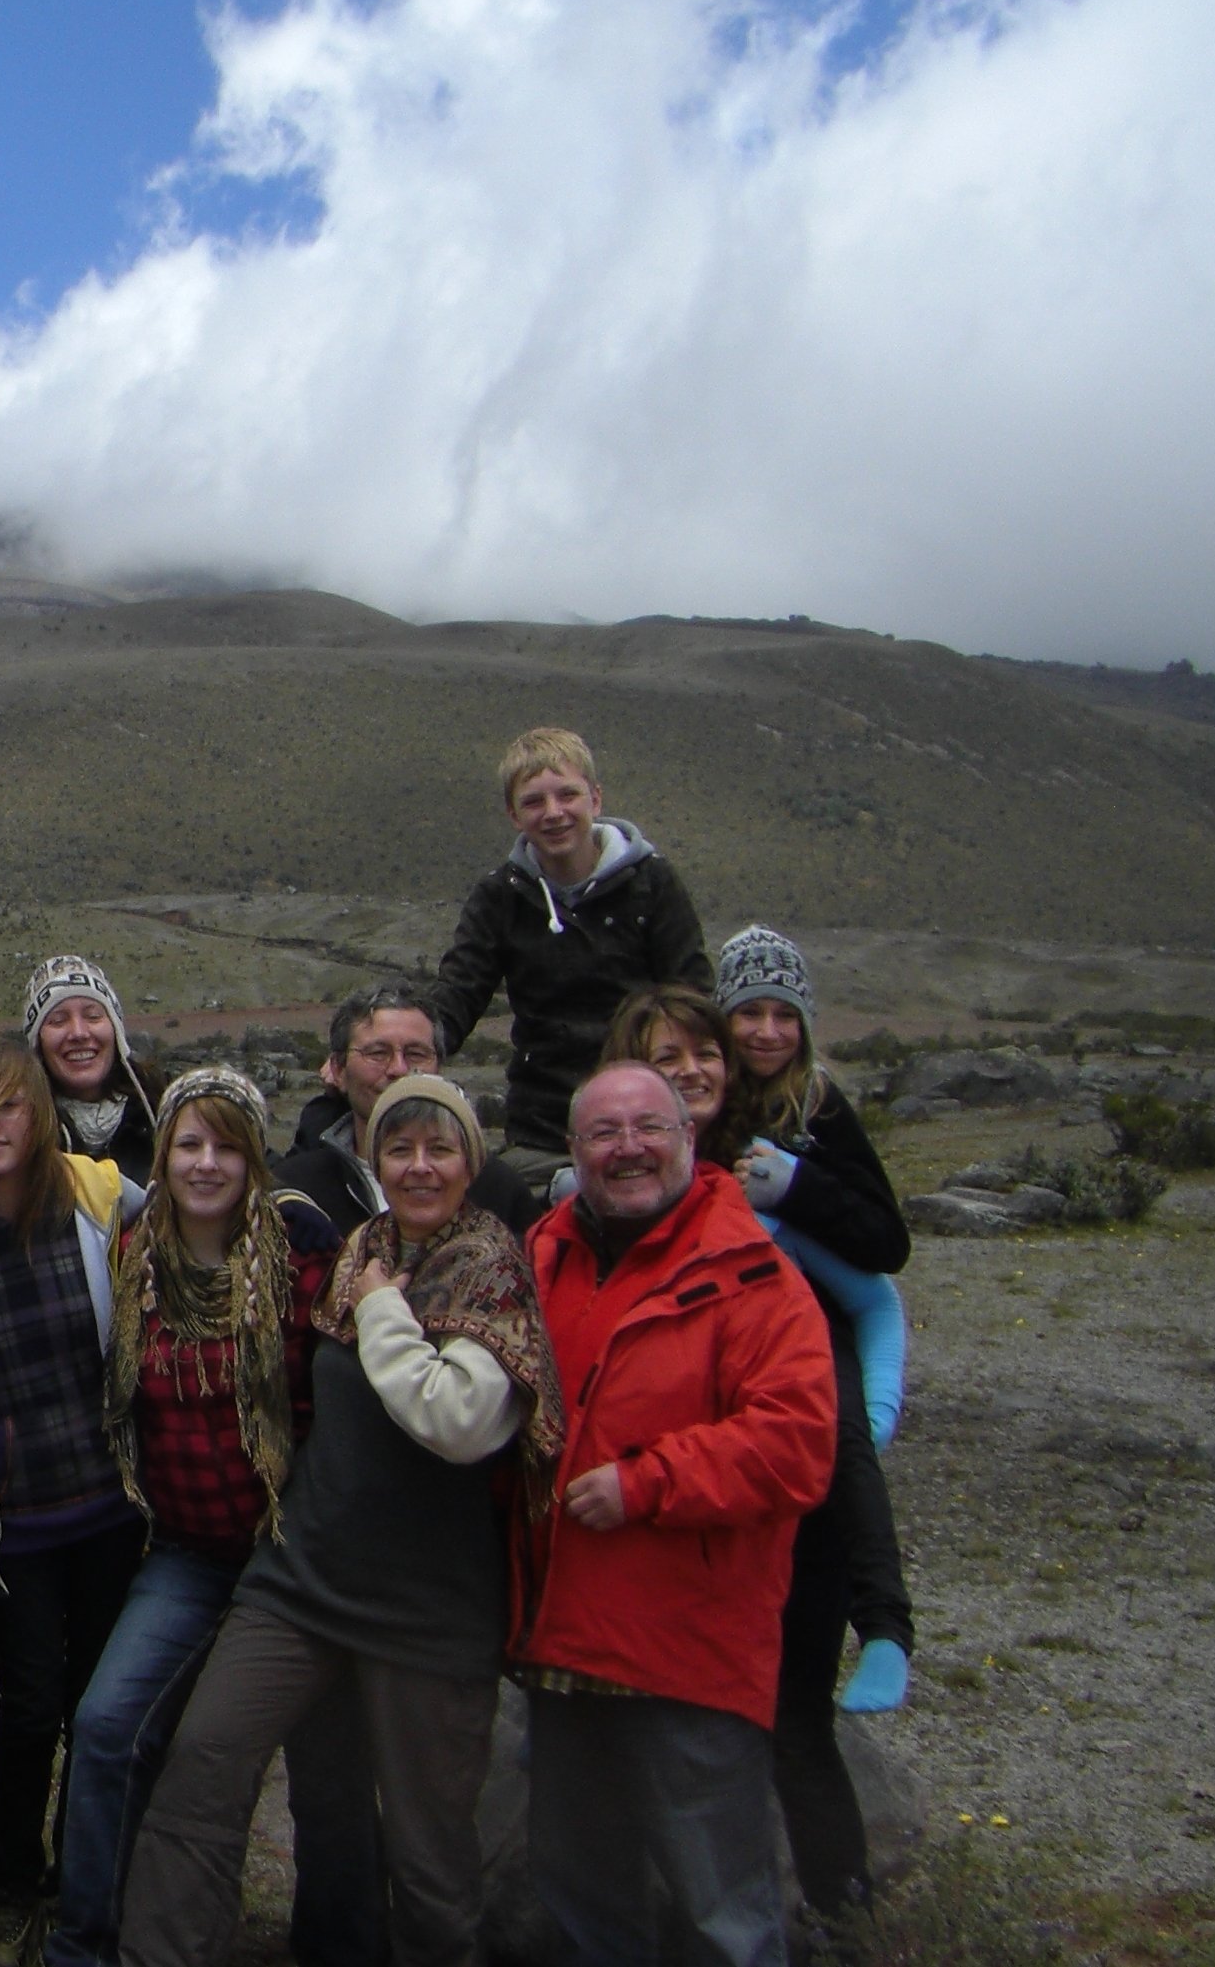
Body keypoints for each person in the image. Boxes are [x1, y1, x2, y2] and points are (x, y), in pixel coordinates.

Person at [121, 1075, 560, 1967]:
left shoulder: (490, 1268)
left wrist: (380, 1305)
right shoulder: (361, 1243)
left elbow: (456, 1422)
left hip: (427, 1607)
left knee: (427, 1849)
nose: (419, 1165)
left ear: (471, 1161)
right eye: (399, 1148)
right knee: (205, 1760)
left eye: (440, 1148)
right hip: (302, 1576)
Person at [51, 1067, 384, 1967]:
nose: (205, 1162)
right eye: (187, 1144)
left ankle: (341, 1939)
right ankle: (86, 1934)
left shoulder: (303, 1249)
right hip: (189, 1551)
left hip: (293, 1553)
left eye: (225, 1143)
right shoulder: (134, 1252)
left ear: (253, 1152)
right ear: (161, 1154)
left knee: (329, 1768)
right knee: (109, 1722)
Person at [608, 961, 913, 1927]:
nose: (694, 1068)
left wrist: (799, 1188)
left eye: (707, 1052)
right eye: (671, 1056)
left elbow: (876, 1271)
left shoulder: (767, 1160)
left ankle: (842, 1919)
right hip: (677, 1494)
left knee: (791, 1723)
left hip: (784, 1466)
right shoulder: (614, 1177)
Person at [516, 1064, 837, 1967]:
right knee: (580, 1906)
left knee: (719, 1913)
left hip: (687, 1650)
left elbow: (796, 1441)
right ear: (573, 1153)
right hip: (561, 1646)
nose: (627, 1149)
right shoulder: (539, 1254)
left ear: (688, 1138)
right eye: (603, 1133)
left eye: (647, 1127)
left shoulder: (752, 1276)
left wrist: (646, 1484)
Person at [0, 1036, 141, 1967]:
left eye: (6, 1105)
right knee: (28, 1707)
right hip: (18, 1522)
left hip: (111, 1508)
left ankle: (90, 1885)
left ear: (37, 1113)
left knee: (99, 1713)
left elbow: (193, 1208)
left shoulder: (93, 1205)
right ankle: (14, 1885)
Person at [713, 928, 918, 1721]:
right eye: (748, 1012)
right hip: (728, 1314)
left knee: (837, 1423)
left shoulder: (820, 1107)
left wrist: (797, 1188)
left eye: (783, 1013)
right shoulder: (703, 1098)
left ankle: (883, 1626)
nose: (766, 1030)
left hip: (811, 1312)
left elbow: (884, 1242)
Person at [426, 728, 710, 1194]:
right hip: (543, 1129)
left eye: (567, 795)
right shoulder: (500, 897)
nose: (553, 813)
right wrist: (408, 1048)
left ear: (595, 800)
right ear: (513, 815)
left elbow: (692, 1000)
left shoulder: (652, 884)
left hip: (641, 1126)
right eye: (534, 801)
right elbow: (458, 994)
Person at [274, 979, 542, 1237]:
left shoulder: (496, 1189)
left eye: (416, 1054)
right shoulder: (297, 1192)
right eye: (377, 1053)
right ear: (338, 1069)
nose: (398, 1070)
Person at [25, 955, 162, 1185]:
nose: (78, 1033)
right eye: (58, 1021)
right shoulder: (22, 1131)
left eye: (93, 1016)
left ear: (115, 1030)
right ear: (38, 1042)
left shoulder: (161, 1109)